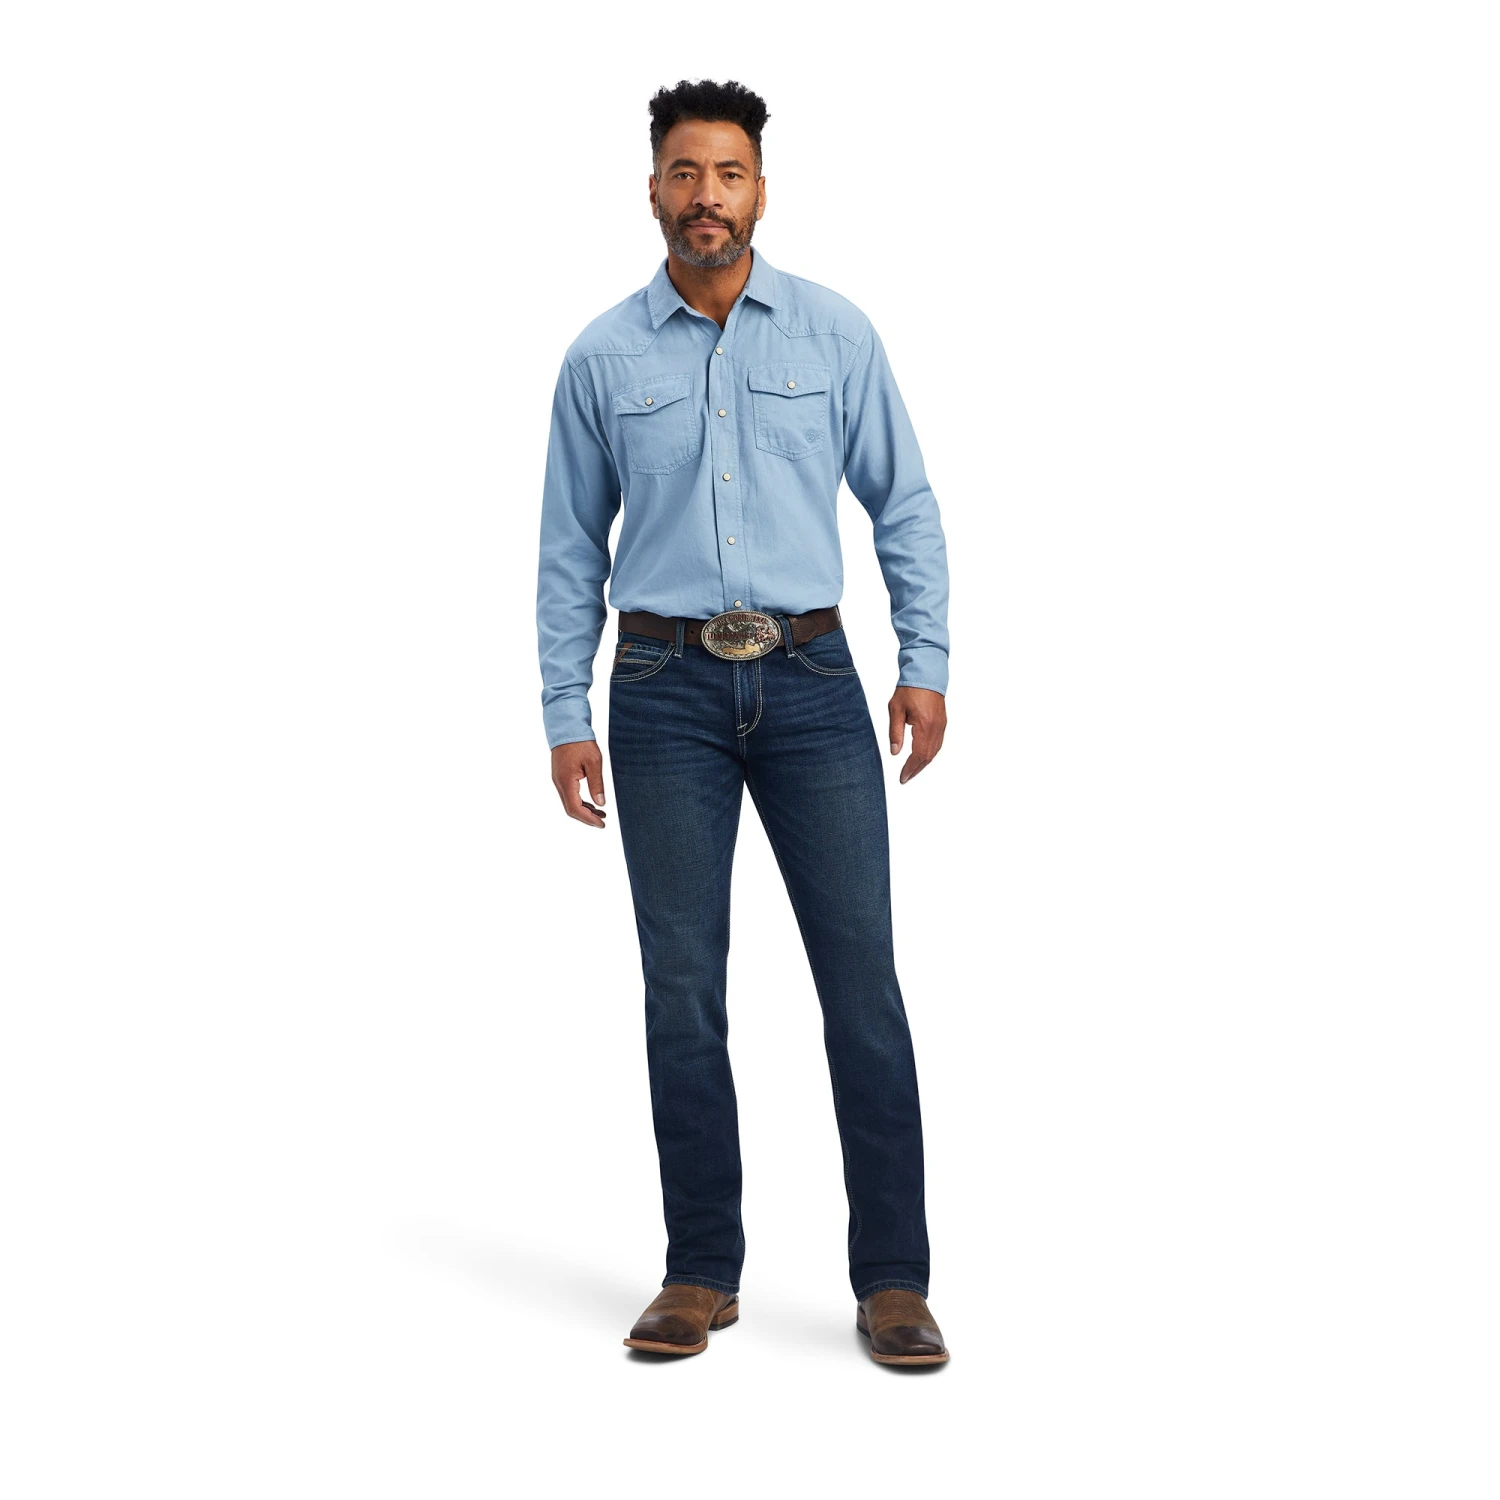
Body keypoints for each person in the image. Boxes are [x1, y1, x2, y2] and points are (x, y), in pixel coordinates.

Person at [535, 78, 952, 1366]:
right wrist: (563, 709)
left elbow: (904, 504)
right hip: (661, 693)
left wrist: (925, 662)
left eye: (727, 173)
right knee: (682, 989)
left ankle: (893, 1280)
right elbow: (569, 549)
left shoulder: (835, 334)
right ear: (652, 190)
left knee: (861, 982)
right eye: (684, 172)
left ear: (761, 190)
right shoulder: (602, 358)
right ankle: (699, 1268)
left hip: (816, 685)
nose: (705, 196)